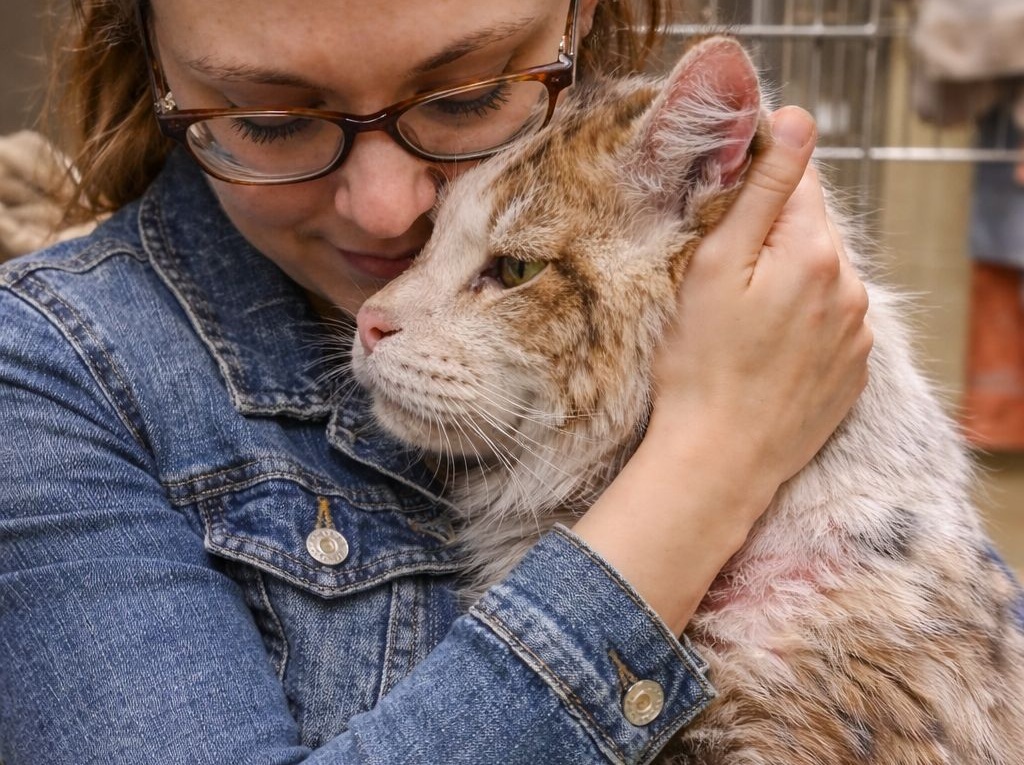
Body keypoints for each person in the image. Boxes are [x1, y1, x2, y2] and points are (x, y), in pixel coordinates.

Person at [0, 1, 872, 763]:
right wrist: (715, 459)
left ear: (583, 16)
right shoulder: (51, 372)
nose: (386, 210)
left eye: (467, 97)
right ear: (160, 67)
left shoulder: (737, 279)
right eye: (269, 119)